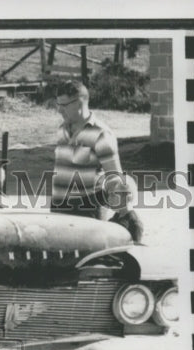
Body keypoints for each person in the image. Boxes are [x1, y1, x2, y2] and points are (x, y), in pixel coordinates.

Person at [51, 78, 144, 243]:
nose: (59, 110)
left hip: (87, 210)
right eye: (58, 105)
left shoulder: (101, 134)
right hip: (59, 206)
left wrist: (125, 213)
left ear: (80, 102)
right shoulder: (62, 130)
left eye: (64, 105)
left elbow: (115, 177)